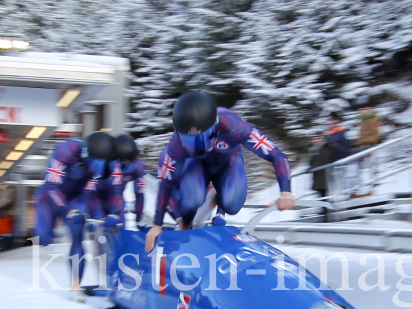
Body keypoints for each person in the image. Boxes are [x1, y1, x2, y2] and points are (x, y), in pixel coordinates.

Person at [145, 90, 295, 253]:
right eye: (189, 140)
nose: (197, 147)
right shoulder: (176, 146)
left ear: (216, 127)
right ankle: (187, 220)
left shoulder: (233, 126)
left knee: (232, 205)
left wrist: (286, 191)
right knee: (190, 201)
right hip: (197, 164)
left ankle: (218, 198)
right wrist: (156, 225)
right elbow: (165, 184)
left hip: (228, 162)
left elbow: (276, 155)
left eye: (203, 138)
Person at [34, 131, 116, 295]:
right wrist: (68, 210)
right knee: (43, 238)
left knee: (78, 233)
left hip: (77, 196)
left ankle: (76, 286)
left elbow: (105, 190)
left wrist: (110, 214)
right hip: (51, 194)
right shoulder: (65, 151)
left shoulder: (106, 165)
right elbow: (52, 188)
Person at [88, 134, 146, 229]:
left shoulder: (138, 166)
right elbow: (88, 190)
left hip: (116, 197)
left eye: (129, 161)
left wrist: (138, 218)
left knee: (120, 229)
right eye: (122, 162)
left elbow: (140, 194)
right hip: (96, 196)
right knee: (99, 227)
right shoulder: (103, 161)